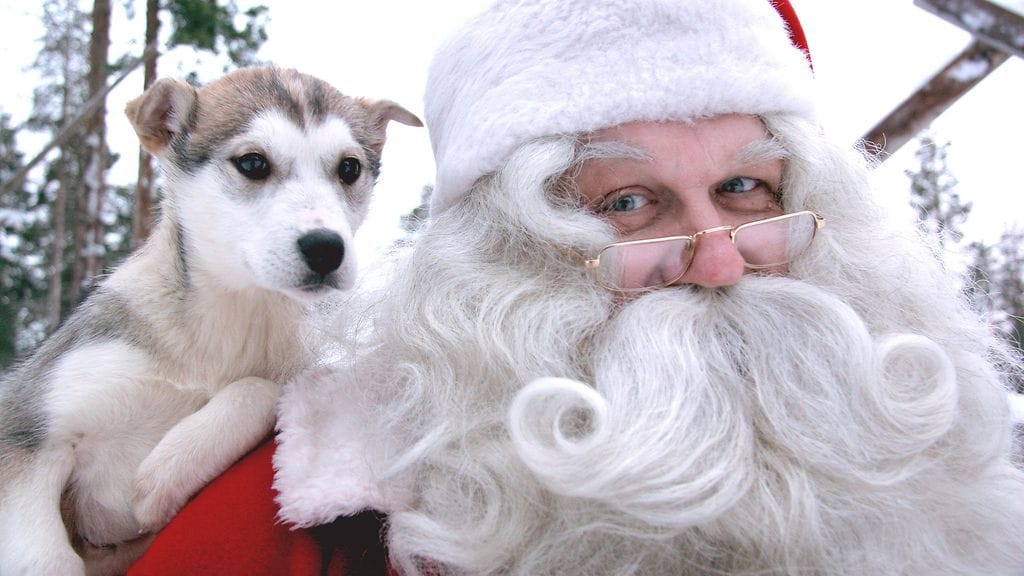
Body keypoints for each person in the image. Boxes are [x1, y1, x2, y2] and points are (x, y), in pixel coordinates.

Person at [129, 0, 1024, 574]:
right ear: (503, 265)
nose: (718, 261)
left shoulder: (959, 497)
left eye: (746, 188)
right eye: (630, 202)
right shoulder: (301, 530)